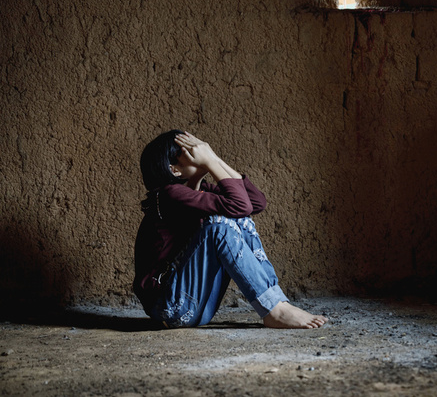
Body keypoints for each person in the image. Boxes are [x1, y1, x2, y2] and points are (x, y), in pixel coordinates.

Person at [133, 129, 328, 329]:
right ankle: (274, 310)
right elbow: (239, 204)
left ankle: (275, 302)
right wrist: (209, 162)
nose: (200, 151)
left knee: (240, 220)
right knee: (219, 226)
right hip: (170, 307)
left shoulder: (200, 192)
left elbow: (255, 202)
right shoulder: (169, 195)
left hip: (197, 308)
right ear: (174, 169)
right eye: (191, 150)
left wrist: (214, 158)